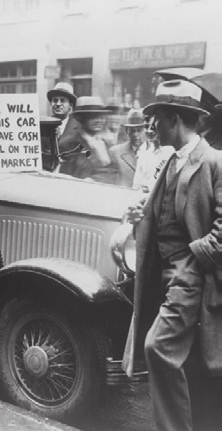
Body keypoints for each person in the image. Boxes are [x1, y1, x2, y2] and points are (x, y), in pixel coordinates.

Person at [122, 79, 222, 431]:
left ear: (176, 119)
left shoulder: (213, 162)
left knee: (158, 349)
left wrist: (193, 262)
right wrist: (139, 223)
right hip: (164, 276)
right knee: (187, 363)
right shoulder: (170, 163)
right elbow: (161, 218)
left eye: (158, 119)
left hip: (190, 277)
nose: (152, 127)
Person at [70, 96, 115, 183]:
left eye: (101, 117)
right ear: (82, 119)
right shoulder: (69, 145)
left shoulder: (106, 144)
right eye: (92, 117)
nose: (98, 121)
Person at [46, 82, 83, 173]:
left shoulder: (79, 128)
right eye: (55, 100)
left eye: (62, 100)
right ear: (51, 104)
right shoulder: (44, 126)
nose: (58, 104)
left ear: (70, 105)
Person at [132, 115, 174, 192]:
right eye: (146, 127)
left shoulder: (171, 152)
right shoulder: (144, 154)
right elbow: (136, 184)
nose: (149, 131)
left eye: (153, 127)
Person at [109, 109, 148, 187]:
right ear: (127, 131)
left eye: (139, 130)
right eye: (132, 131)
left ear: (146, 130)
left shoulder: (156, 153)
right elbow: (109, 182)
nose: (135, 134)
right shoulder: (115, 152)